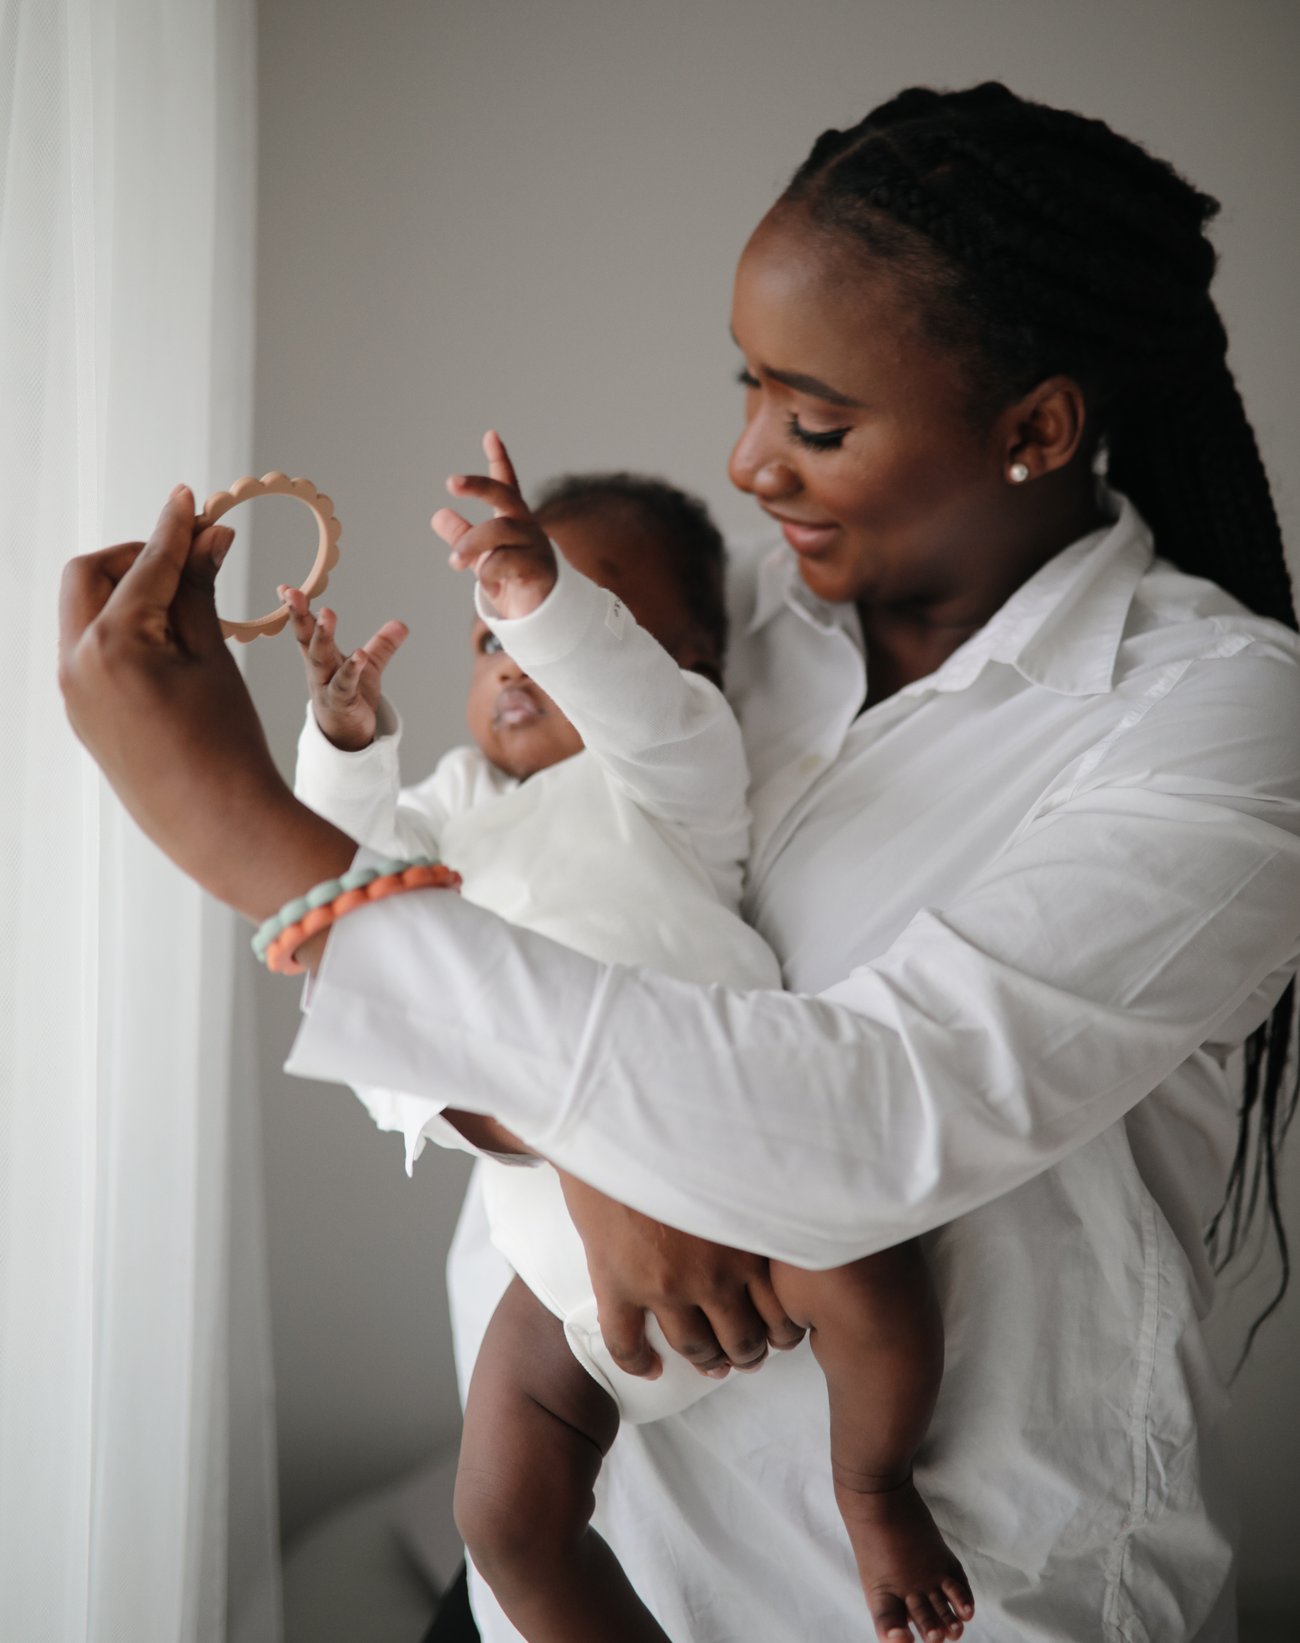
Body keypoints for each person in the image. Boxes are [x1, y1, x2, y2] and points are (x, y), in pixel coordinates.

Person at [58, 82, 1300, 1643]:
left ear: (1036, 428)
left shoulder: (1220, 716)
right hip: (573, 1556)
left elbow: (858, 1121)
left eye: (816, 420)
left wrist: (260, 844)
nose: (749, 462)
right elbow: (490, 954)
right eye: (751, 393)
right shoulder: (708, 635)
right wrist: (580, 1147)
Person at [286, 449, 973, 1642]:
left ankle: (871, 1485)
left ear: (689, 658)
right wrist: (347, 745)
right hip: (552, 1240)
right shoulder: (449, 805)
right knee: (503, 1518)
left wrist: (541, 601)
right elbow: (352, 913)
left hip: (731, 1149)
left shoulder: (670, 777)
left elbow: (636, 704)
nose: (511, 658)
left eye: (562, 621)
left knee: (872, 1276)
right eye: (486, 635)